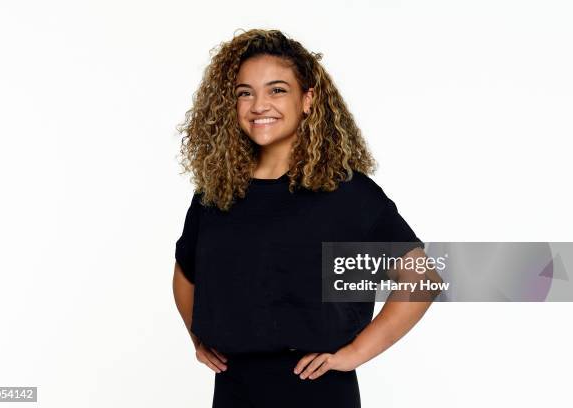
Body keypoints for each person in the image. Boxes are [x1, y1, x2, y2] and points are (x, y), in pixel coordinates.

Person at [172, 28, 442, 408]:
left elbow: (422, 278)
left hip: (318, 391)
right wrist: (198, 339)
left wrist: (355, 353)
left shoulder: (347, 192)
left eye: (277, 90)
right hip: (235, 390)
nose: (259, 105)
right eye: (244, 93)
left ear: (308, 99)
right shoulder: (216, 194)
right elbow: (185, 274)